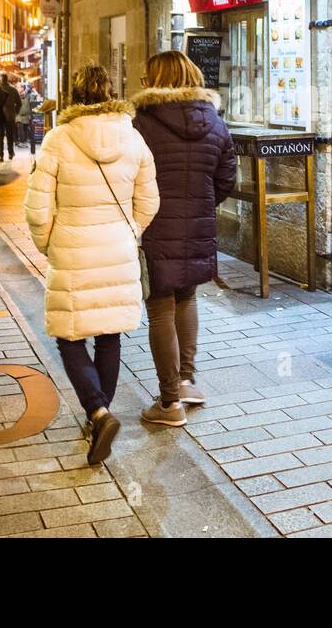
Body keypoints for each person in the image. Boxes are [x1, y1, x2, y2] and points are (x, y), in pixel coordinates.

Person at [25, 64, 159, 464]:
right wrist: (129, 230)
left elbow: (37, 209)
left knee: (69, 336)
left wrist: (48, 243)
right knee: (109, 333)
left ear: (74, 95)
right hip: (117, 249)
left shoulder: (57, 139)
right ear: (111, 92)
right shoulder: (134, 139)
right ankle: (100, 414)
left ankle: (98, 412)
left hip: (72, 247)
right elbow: (150, 201)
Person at [131, 51, 236, 426]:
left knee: (160, 306)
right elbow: (227, 180)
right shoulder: (216, 123)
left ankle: (169, 401)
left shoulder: (141, 123)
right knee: (187, 297)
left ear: (156, 80)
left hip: (156, 226)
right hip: (198, 225)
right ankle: (187, 380)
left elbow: (131, 177)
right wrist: (200, 204)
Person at [0, 75, 21, 158]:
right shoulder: (13, 90)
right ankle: (10, 153)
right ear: (7, 80)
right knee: (10, 135)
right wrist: (15, 112)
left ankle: (0, 155)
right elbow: (19, 103)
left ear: (0, 80)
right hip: (10, 115)